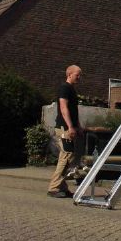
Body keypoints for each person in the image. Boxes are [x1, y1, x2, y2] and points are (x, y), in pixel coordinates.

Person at [47, 64, 83, 198]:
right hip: (64, 128)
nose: (79, 77)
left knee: (69, 158)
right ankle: (54, 188)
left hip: (70, 127)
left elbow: (74, 111)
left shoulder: (72, 90)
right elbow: (63, 108)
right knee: (66, 156)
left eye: (80, 75)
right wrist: (70, 127)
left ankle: (62, 186)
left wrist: (78, 125)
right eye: (77, 74)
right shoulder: (64, 88)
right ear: (69, 74)